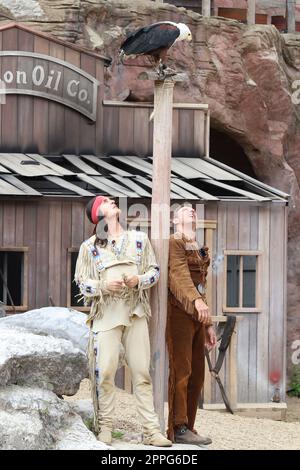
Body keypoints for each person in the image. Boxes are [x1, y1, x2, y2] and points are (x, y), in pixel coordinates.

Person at [74, 195, 172, 447]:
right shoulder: (89, 247)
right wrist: (103, 285)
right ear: (97, 215)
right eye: (105, 201)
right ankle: (105, 427)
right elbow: (82, 283)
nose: (112, 201)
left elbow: (155, 271)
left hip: (135, 312)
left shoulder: (139, 240)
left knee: (141, 372)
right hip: (106, 315)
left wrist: (138, 280)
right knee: (104, 372)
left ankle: (151, 431)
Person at [166, 205, 217, 445]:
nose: (192, 212)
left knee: (198, 374)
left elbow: (201, 285)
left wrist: (208, 322)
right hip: (179, 312)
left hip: (197, 315)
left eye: (193, 210)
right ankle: (178, 426)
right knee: (182, 370)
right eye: (185, 211)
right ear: (175, 220)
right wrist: (196, 302)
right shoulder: (174, 241)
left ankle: (189, 427)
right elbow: (178, 274)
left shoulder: (196, 246)